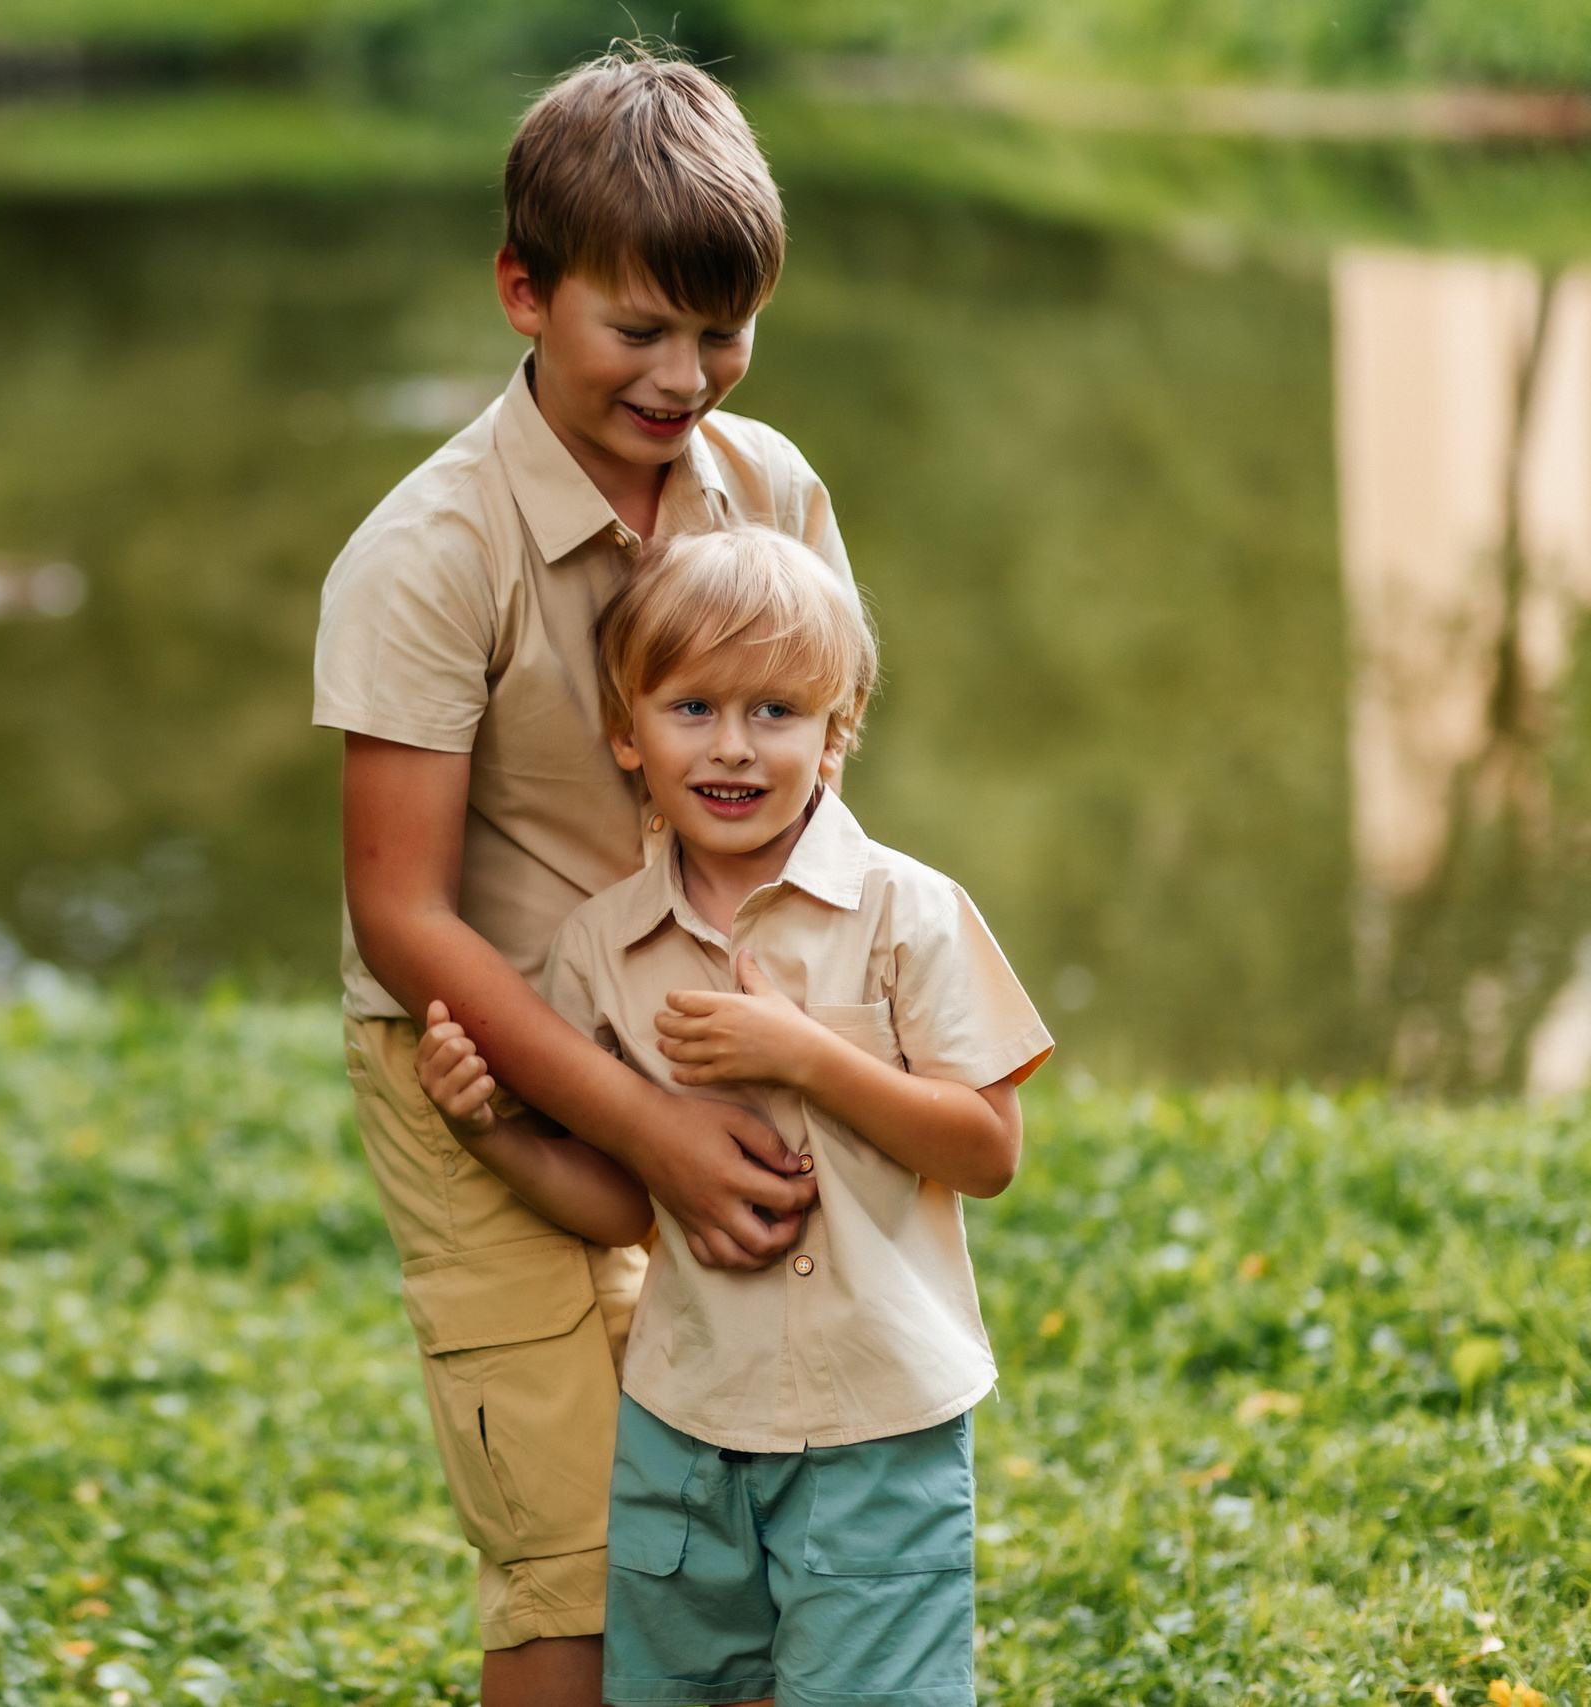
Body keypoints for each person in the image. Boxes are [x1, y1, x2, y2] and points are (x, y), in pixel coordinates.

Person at [312, 41, 848, 1707]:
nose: (688, 374)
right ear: (522, 292)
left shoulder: (769, 494)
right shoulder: (429, 552)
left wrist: (792, 1049)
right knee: (575, 1555)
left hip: (709, 1034)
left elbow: (820, 796)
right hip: (483, 1051)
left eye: (724, 328)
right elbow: (404, 913)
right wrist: (636, 1130)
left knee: (741, 1519)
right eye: (641, 327)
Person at [416, 525, 1054, 1707]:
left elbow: (988, 1149)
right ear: (626, 732)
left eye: (775, 712)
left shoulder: (904, 911)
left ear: (835, 732)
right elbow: (618, 1204)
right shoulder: (599, 948)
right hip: (686, 1429)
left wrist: (806, 1056)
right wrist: (491, 1132)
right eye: (692, 707)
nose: (733, 747)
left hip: (877, 1425)